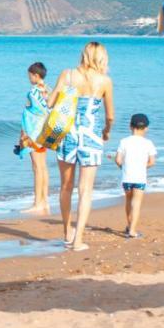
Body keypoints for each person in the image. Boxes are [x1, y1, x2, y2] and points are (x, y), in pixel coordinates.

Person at [47, 42, 115, 251]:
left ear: (84, 55)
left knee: (65, 186)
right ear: (102, 58)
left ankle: (67, 232)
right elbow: (110, 116)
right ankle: (78, 240)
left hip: (67, 134)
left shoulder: (67, 75)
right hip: (91, 137)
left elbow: (50, 103)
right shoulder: (104, 81)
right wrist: (106, 132)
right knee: (86, 190)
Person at [15, 62, 50, 215]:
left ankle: (37, 203)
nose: (28, 78)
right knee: (43, 167)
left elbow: (28, 115)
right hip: (45, 133)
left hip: (33, 134)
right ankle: (45, 201)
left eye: (29, 75)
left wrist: (22, 135)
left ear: (36, 75)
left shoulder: (32, 92)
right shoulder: (48, 90)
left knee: (37, 168)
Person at [115, 113, 157, 238]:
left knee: (128, 201)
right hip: (140, 177)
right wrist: (142, 167)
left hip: (127, 177)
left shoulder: (124, 141)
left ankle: (129, 226)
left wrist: (124, 167)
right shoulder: (148, 143)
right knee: (136, 203)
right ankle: (133, 230)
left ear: (130, 126)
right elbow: (151, 162)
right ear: (146, 128)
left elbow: (118, 160)